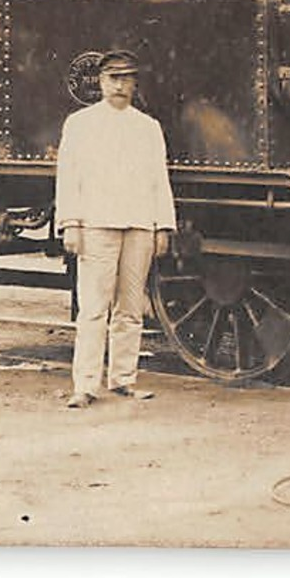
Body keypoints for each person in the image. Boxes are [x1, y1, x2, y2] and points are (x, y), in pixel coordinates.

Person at [54, 50, 175, 408]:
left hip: (139, 224)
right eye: (113, 78)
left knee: (131, 309)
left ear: (135, 84)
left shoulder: (148, 127)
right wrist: (70, 223)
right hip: (96, 224)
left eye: (127, 79)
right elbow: (68, 176)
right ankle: (85, 385)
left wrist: (163, 226)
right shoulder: (80, 123)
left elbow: (159, 179)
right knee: (93, 308)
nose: (120, 86)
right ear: (101, 82)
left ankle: (123, 380)